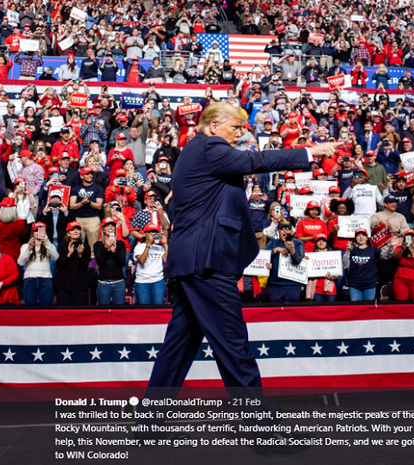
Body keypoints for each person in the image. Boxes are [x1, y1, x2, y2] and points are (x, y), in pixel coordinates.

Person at [140, 102, 337, 448]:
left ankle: (148, 421)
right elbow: (253, 162)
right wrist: (308, 151)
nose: (240, 134)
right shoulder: (210, 146)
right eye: (235, 127)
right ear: (213, 125)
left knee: (179, 346)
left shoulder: (198, 154)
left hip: (192, 263)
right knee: (233, 344)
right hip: (207, 263)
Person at [18, 222, 59, 306]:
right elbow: (20, 262)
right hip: (30, 280)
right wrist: (29, 248)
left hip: (45, 280)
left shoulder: (49, 246)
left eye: (41, 230)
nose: (38, 232)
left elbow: (56, 257)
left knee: (46, 309)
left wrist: (47, 242)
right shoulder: (25, 246)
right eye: (36, 230)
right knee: (30, 310)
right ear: (33, 233)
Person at [265, 221, 305, 303]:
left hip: (293, 285)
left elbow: (298, 261)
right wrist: (275, 250)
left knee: (292, 312)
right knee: (275, 312)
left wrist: (292, 250)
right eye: (282, 229)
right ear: (278, 231)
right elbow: (264, 256)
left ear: (291, 232)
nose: (285, 231)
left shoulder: (298, 243)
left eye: (288, 229)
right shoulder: (273, 242)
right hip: (276, 284)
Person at [55, 221, 91, 306]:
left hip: (80, 285)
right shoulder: (62, 246)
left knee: (80, 315)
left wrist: (80, 255)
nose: (76, 231)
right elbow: (59, 266)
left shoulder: (85, 247)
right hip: (64, 285)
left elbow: (84, 267)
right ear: (68, 233)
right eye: (73, 229)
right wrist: (68, 255)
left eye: (78, 229)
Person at [94, 217, 127, 305]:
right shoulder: (98, 245)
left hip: (119, 283)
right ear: (103, 229)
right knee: (103, 312)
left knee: (119, 312)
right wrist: (106, 248)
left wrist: (114, 252)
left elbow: (122, 263)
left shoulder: (121, 244)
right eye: (107, 226)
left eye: (112, 225)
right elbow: (100, 263)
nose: (110, 228)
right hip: (104, 283)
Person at [342, 228, 382, 301]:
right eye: (358, 235)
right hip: (354, 285)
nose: (361, 237)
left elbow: (386, 256)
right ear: (355, 238)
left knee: (368, 309)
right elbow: (345, 265)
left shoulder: (373, 250)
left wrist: (391, 247)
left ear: (367, 238)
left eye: (363, 235)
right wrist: (347, 252)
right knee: (356, 310)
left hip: (369, 285)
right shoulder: (351, 250)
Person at [133, 223, 168, 305]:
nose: (152, 234)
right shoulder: (139, 247)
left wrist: (165, 244)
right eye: (150, 232)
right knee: (145, 311)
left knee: (157, 311)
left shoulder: (159, 248)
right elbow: (142, 261)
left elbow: (167, 260)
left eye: (155, 232)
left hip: (158, 282)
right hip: (142, 282)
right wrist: (148, 244)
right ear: (145, 234)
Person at [392, 230, 414, 300]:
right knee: (401, 302)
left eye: (413, 236)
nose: (411, 238)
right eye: (409, 236)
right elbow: (394, 258)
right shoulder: (399, 248)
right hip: (400, 278)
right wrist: (403, 249)